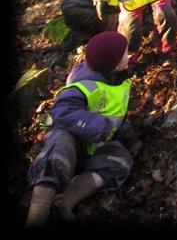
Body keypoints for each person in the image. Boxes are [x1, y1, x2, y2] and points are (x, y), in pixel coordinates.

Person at [25, 31, 133, 227]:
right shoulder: (85, 85)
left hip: (98, 144)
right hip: (73, 137)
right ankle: (38, 211)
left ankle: (66, 201)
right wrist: (97, 126)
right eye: (125, 53)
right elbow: (62, 111)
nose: (129, 55)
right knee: (58, 152)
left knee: (121, 161)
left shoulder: (120, 79)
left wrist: (122, 129)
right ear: (114, 63)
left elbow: (115, 111)